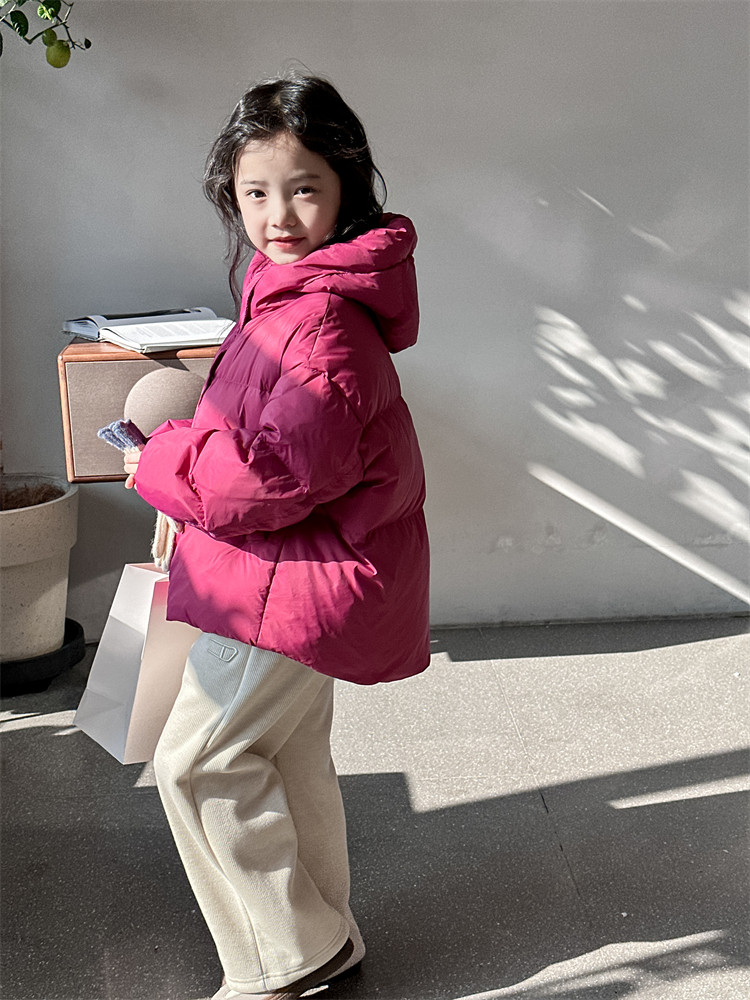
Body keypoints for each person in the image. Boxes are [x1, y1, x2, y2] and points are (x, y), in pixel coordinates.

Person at [123, 74, 430, 1000]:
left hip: (290, 582)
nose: (278, 215)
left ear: (345, 189)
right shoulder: (290, 292)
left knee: (196, 763)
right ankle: (326, 941)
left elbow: (279, 477)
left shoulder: (320, 320)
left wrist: (161, 460)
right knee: (287, 758)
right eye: (255, 192)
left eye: (303, 189)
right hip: (292, 571)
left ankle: (290, 961)